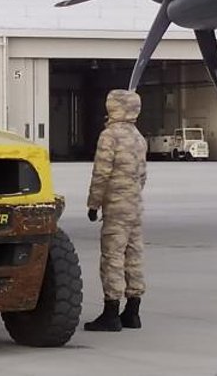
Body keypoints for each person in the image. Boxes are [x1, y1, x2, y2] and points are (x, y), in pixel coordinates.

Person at [84, 89, 148, 332]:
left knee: (112, 256)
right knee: (134, 256)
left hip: (116, 205)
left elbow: (101, 173)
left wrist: (93, 204)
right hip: (134, 205)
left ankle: (110, 312)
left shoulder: (109, 136)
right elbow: (143, 175)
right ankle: (132, 312)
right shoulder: (138, 137)